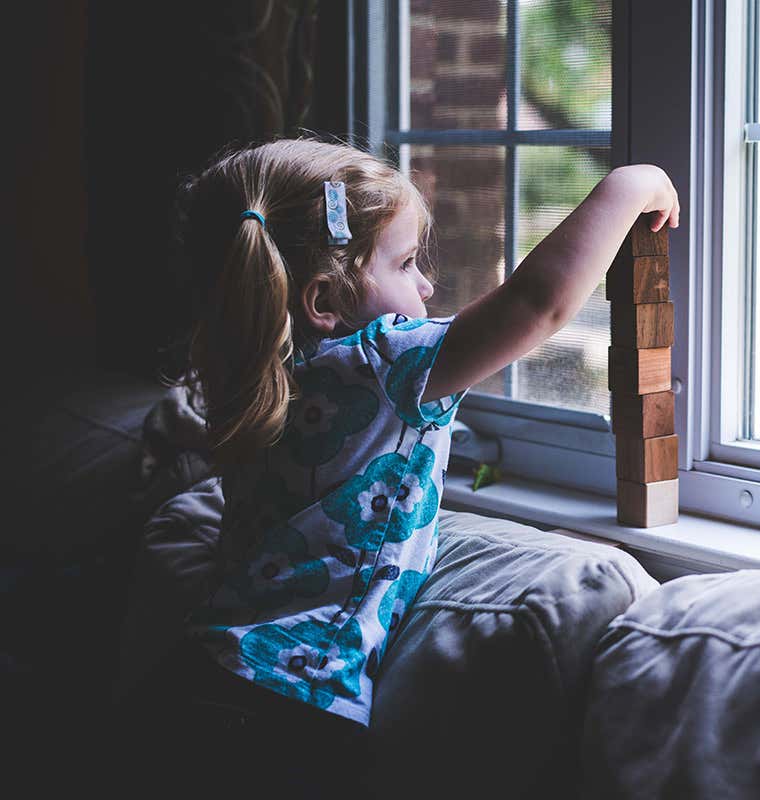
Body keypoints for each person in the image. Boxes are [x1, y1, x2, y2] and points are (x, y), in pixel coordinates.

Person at [118, 137, 679, 795]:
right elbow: (536, 307)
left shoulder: (249, 375)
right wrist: (631, 185)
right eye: (408, 262)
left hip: (186, 678)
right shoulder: (381, 365)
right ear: (324, 301)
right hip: (285, 711)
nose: (428, 284)